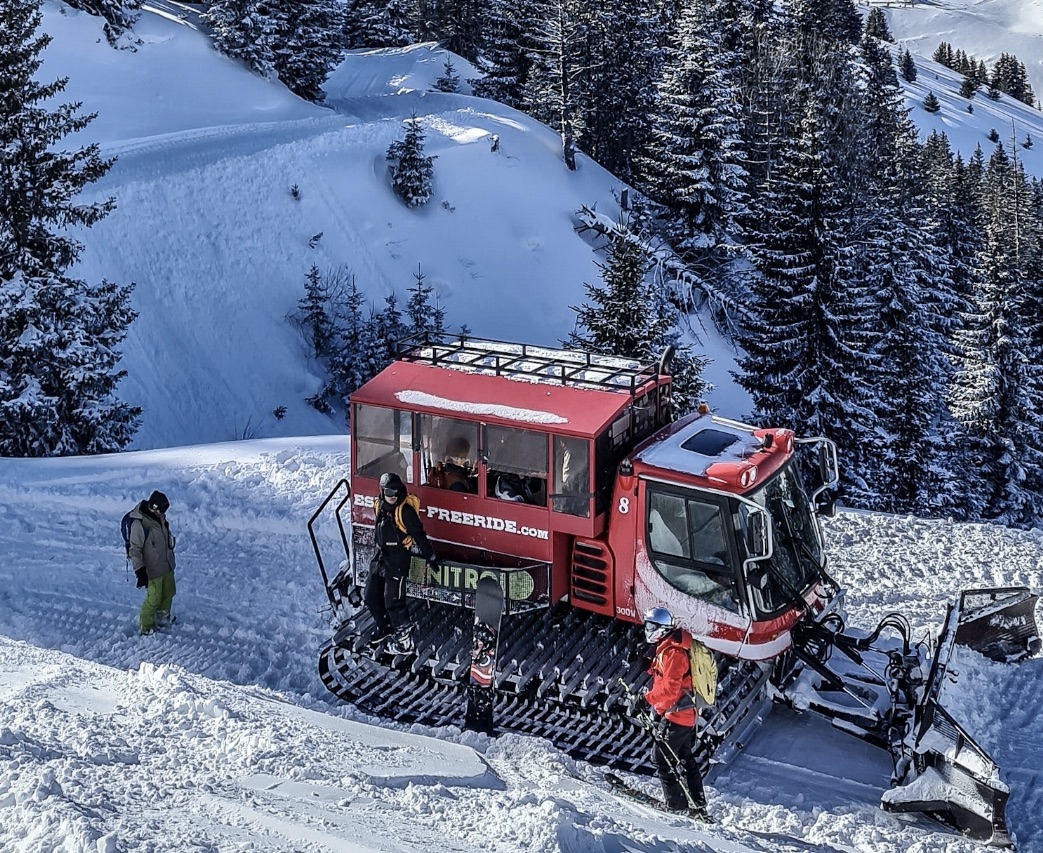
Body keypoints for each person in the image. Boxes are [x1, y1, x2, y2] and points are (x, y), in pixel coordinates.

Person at [641, 606, 710, 821]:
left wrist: (645, 700)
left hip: (677, 715)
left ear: (662, 629)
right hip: (682, 713)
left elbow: (670, 691)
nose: (647, 629)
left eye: (651, 626)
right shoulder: (669, 648)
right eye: (647, 625)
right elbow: (670, 678)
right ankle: (696, 803)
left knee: (661, 758)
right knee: (683, 757)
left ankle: (677, 805)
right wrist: (650, 667)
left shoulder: (673, 653)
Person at [366, 472, 438, 654]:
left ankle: (404, 640)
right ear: (382, 491)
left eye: (396, 492)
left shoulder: (404, 511)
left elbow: (419, 535)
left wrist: (430, 556)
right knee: (371, 595)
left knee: (394, 600)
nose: (393, 496)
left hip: (398, 558)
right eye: (389, 492)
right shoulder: (379, 506)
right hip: (381, 555)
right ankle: (384, 626)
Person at [127, 490, 177, 635]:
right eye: (162, 509)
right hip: (152, 569)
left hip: (166, 565)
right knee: (154, 598)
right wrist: (140, 570)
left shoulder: (159, 516)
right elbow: (134, 550)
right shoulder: (139, 524)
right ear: (154, 507)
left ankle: (162, 618)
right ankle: (146, 626)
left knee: (169, 592)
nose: (163, 513)